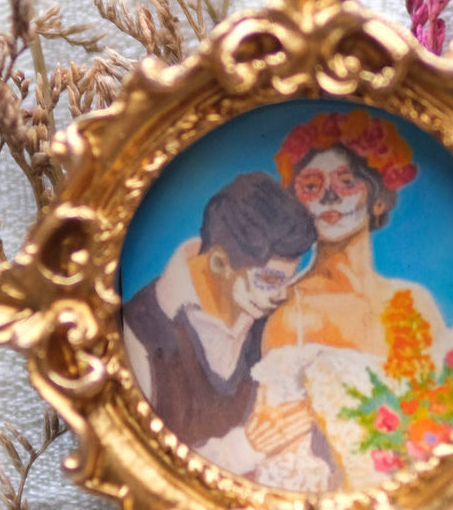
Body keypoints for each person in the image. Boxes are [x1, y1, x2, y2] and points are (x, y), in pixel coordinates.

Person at [244, 109, 453, 492]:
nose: (330, 196)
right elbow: (285, 462)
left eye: (347, 181)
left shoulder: (415, 301)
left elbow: (448, 414)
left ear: (378, 199)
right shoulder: (292, 315)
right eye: (311, 186)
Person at [121, 171, 317, 457]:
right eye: (270, 280)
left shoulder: (271, 317)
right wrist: (245, 447)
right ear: (218, 263)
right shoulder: (138, 335)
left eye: (288, 279)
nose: (282, 294)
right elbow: (140, 457)